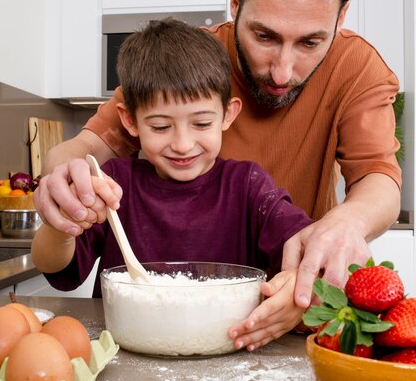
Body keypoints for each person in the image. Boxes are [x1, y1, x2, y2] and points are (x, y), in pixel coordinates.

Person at [34, 0, 402, 350]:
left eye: (310, 42)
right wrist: (62, 195)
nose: (281, 71)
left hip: (268, 325)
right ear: (235, 0)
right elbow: (83, 151)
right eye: (264, 36)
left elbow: (379, 179)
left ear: (340, 17)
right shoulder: (186, 64)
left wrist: (343, 226)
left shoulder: (357, 68)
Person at [31, 18, 314, 350]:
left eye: (201, 123)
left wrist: (297, 281)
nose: (182, 144)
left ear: (227, 115)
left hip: (229, 353)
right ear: (130, 121)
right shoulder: (113, 185)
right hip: (127, 352)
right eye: (162, 127)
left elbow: (303, 250)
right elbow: (56, 269)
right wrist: (62, 226)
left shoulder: (248, 186)